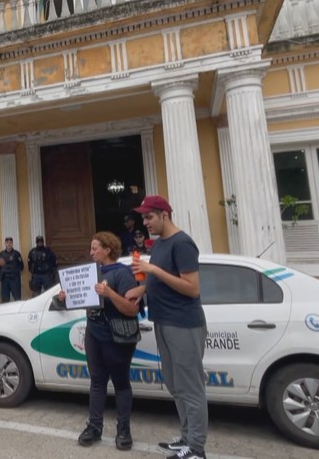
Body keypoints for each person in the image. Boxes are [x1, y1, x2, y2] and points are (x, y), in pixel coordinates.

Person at [127, 196, 207, 459]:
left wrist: (153, 270)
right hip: (163, 321)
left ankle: (196, 449)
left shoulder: (182, 243)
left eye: (149, 217)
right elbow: (160, 281)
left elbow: (192, 288)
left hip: (183, 324)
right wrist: (143, 288)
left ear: (164, 214)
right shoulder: (161, 244)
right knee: (175, 384)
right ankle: (185, 438)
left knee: (191, 388)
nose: (145, 223)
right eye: (143, 218)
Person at [54, 232, 140, 450]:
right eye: (91, 249)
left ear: (108, 249)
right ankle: (94, 427)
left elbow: (131, 309)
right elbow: (73, 301)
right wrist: (64, 297)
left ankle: (124, 430)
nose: (91, 252)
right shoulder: (90, 273)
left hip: (117, 335)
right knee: (97, 382)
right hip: (94, 333)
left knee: (121, 383)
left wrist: (110, 293)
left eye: (95, 248)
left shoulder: (122, 273)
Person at [0, 237, 24, 303]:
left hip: (14, 279)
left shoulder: (17, 254)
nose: (9, 244)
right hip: (5, 279)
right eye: (7, 243)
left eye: (10, 243)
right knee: (5, 299)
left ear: (12, 244)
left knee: (17, 298)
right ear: (5, 244)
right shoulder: (1, 254)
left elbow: (21, 266)